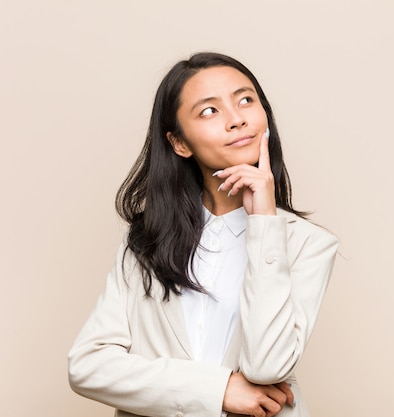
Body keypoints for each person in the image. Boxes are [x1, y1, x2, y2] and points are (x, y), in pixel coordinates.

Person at [68, 52, 338, 417]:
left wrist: (263, 223)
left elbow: (268, 367)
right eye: (209, 111)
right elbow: (87, 365)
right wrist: (218, 390)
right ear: (180, 143)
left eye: (246, 100)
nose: (236, 119)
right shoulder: (146, 240)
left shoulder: (307, 244)